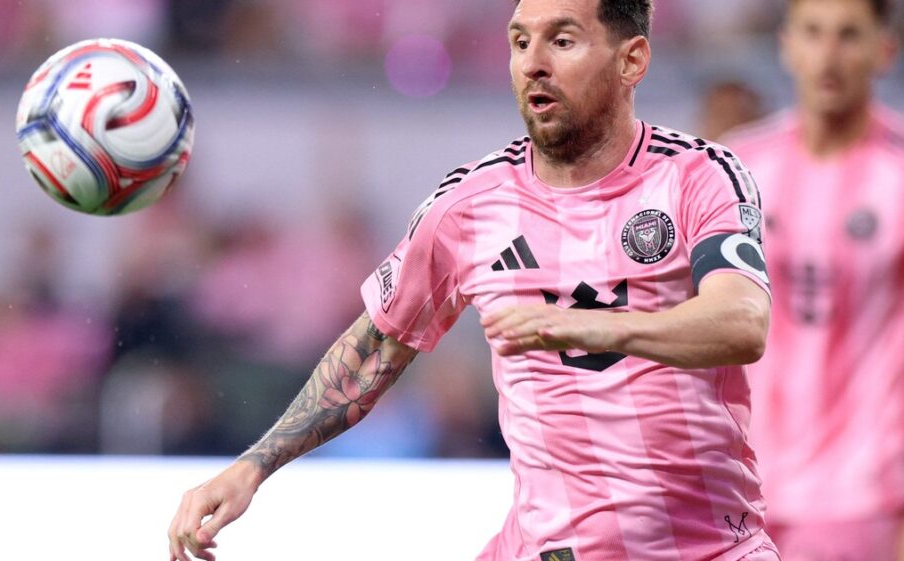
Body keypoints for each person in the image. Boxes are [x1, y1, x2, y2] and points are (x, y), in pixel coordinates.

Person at [168, 1, 780, 560]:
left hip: (708, 549)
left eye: (562, 41)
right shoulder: (468, 204)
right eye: (520, 42)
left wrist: (597, 327)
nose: (533, 63)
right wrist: (252, 466)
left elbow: (742, 322)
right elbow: (372, 352)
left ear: (632, 60)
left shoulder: (700, 175)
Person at [725, 1, 904, 559]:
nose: (828, 54)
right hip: (743, 493)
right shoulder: (738, 166)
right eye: (813, 32)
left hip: (866, 499)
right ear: (787, 44)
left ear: (884, 49)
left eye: (848, 35)